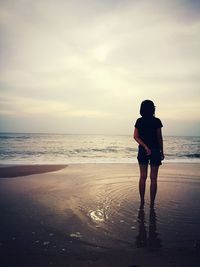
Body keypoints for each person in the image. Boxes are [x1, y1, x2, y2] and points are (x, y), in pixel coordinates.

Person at [133, 100, 164, 208]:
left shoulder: (139, 121)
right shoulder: (157, 121)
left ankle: (142, 201)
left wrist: (145, 146)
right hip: (155, 150)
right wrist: (162, 151)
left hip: (142, 150)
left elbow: (135, 136)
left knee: (142, 177)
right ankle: (151, 203)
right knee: (154, 178)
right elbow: (159, 138)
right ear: (152, 109)